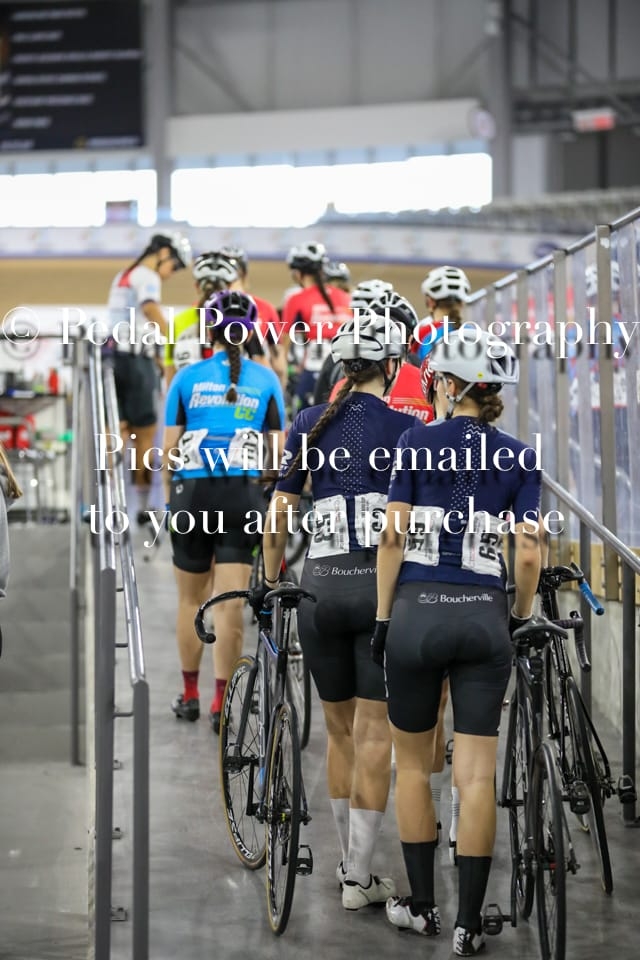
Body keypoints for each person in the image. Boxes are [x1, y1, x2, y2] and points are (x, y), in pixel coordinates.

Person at [375, 328, 541, 956]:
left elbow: (392, 538)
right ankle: (470, 925)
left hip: (416, 615)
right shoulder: (520, 457)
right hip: (483, 619)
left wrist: (383, 619)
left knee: (415, 767)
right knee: (476, 777)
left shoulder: (415, 443)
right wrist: (517, 616)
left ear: (447, 383)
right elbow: (529, 552)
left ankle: (423, 910)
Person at [258, 314, 419, 911]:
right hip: (378, 593)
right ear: (391, 367)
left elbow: (279, 513)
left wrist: (271, 580)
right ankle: (358, 875)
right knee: (376, 735)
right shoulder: (407, 428)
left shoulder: (308, 422)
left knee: (338, 733)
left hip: (319, 589)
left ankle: (349, 867)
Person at [162, 290, 285, 733]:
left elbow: (169, 451)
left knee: (190, 600)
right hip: (242, 494)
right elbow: (277, 455)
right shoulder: (266, 379)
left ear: (208, 332)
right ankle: (222, 702)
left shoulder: (186, 377)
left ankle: (190, 695)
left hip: (193, 494)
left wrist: (169, 502)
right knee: (229, 604)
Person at [108, 231, 192, 524]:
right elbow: (150, 309)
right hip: (135, 362)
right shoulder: (148, 276)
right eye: (175, 265)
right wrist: (175, 341)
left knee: (117, 431)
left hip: (114, 357)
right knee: (144, 435)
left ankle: (108, 500)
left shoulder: (124, 274)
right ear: (164, 253)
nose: (172, 273)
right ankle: (143, 508)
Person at [281, 241, 352, 412]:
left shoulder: (296, 299)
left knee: (304, 419)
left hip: (314, 369)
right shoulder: (346, 297)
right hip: (347, 368)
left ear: (298, 273)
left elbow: (283, 343)